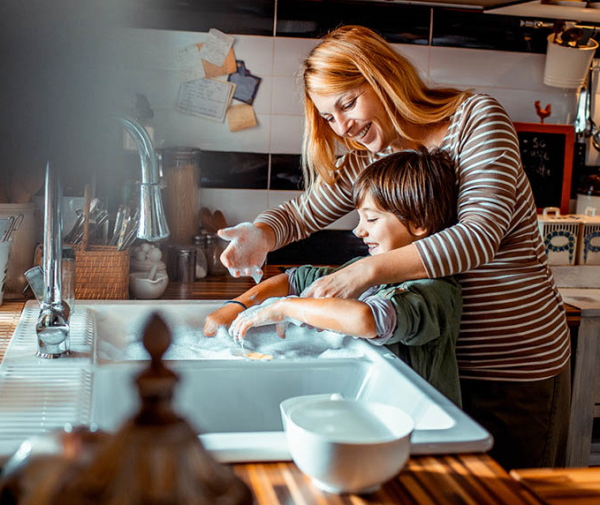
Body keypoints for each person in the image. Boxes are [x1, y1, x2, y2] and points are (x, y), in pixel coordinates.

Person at [216, 25, 571, 471]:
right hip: (435, 367)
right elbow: (302, 213)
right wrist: (260, 234)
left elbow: (480, 235)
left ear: (384, 78)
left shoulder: (475, 118)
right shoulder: (371, 155)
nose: (342, 126)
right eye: (328, 116)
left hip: (512, 365)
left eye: (347, 103)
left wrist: (364, 271)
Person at [205, 149, 463, 405]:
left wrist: (287, 308)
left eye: (371, 219)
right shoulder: (364, 266)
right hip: (375, 407)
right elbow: (295, 279)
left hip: (420, 425)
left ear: (418, 223)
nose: (358, 230)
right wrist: (237, 306)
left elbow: (369, 319)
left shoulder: (435, 290)